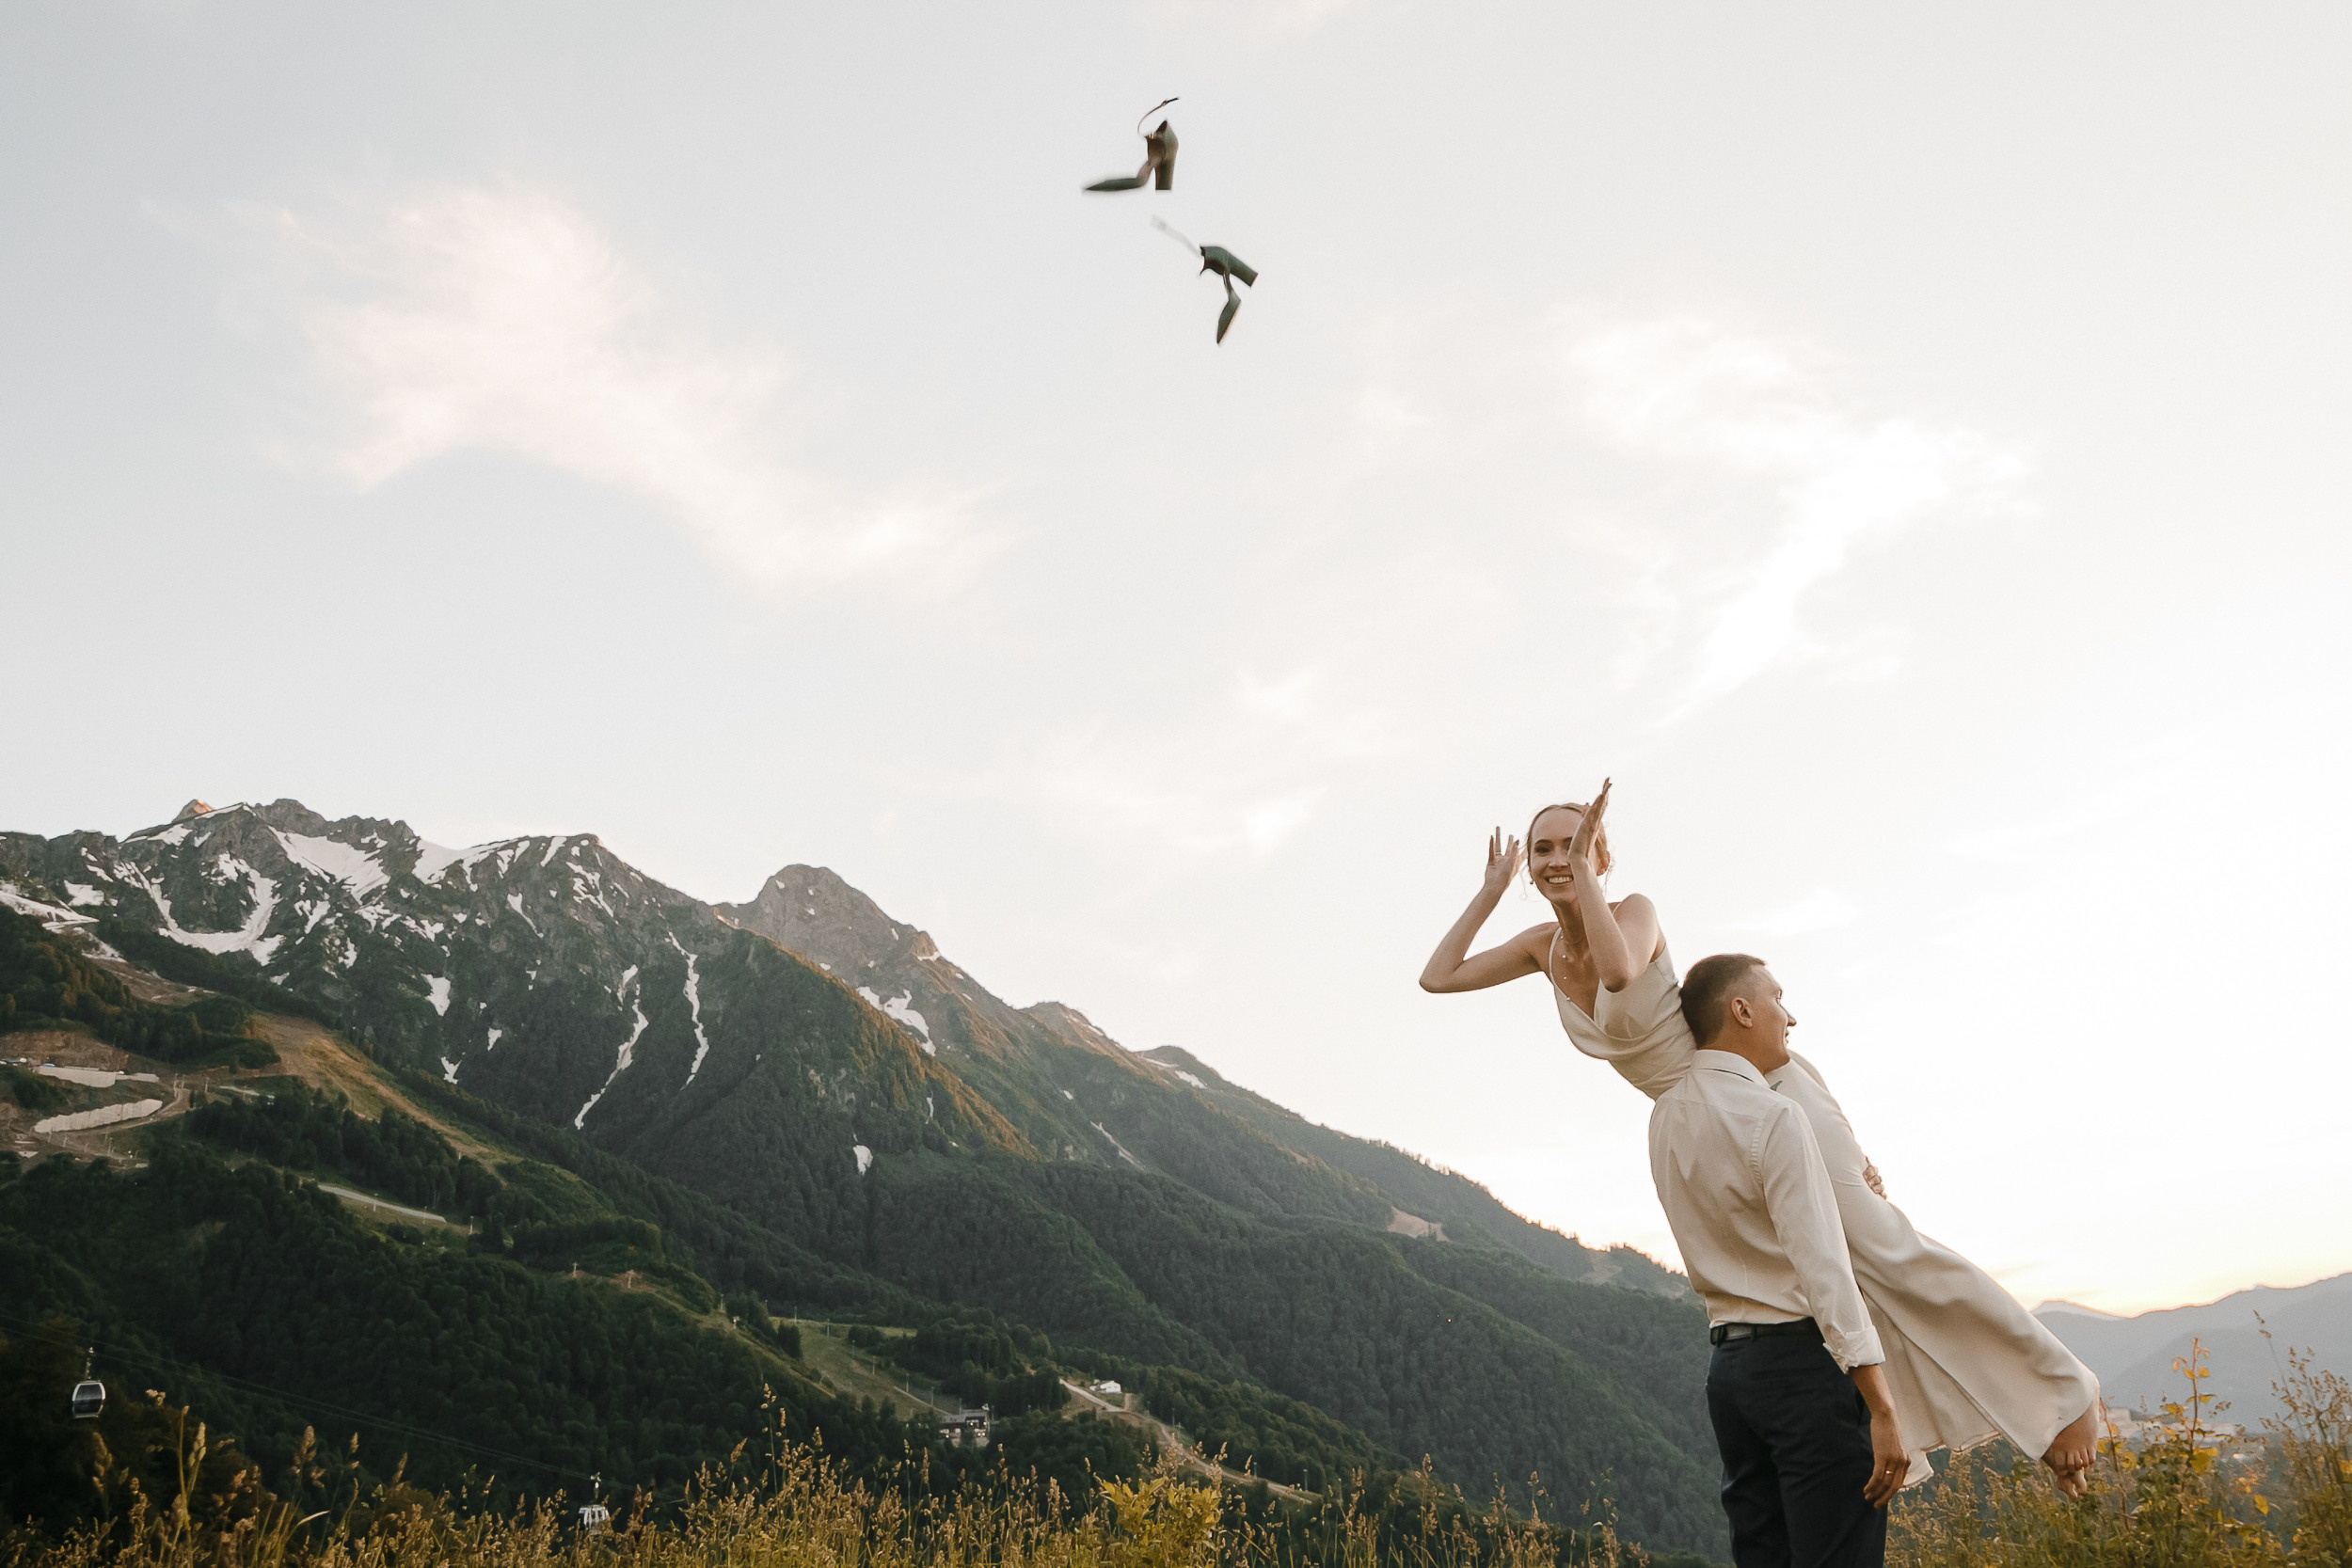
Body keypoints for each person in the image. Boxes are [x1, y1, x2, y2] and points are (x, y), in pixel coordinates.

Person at [1419, 782, 2101, 1495]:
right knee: (1815, 1279)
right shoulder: (1541, 946)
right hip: (1696, 1116)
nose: (1559, 858)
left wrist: (1586, 872)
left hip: (1762, 1092)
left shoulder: (1635, 912)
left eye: (1575, 843)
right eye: (1545, 849)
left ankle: (2064, 1393)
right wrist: (1493, 889)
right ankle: (1923, 1423)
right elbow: (1438, 977)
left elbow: (1621, 970)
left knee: (1884, 1247)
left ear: (1602, 852)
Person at [1651, 952, 1907, 1566]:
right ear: (1741, 1008)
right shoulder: (1774, 1115)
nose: (1788, 1015)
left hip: (1729, 1375)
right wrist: (1882, 1405)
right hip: (1800, 1371)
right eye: (1777, 998)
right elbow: (1825, 1269)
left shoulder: (1664, 1115)